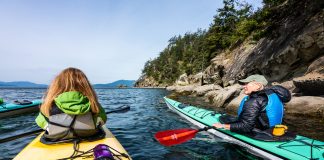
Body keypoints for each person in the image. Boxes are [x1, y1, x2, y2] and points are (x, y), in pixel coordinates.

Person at [35, 67, 107, 141]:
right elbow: (103, 120)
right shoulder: (94, 104)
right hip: (89, 136)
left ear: (57, 85)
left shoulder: (48, 105)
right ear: (86, 85)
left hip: (56, 139)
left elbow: (40, 122)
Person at [213, 74, 291, 133]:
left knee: (223, 120)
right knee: (226, 118)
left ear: (258, 86)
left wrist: (222, 126)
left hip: (261, 133)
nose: (244, 86)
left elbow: (246, 126)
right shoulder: (272, 94)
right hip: (275, 130)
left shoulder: (255, 100)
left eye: (247, 84)